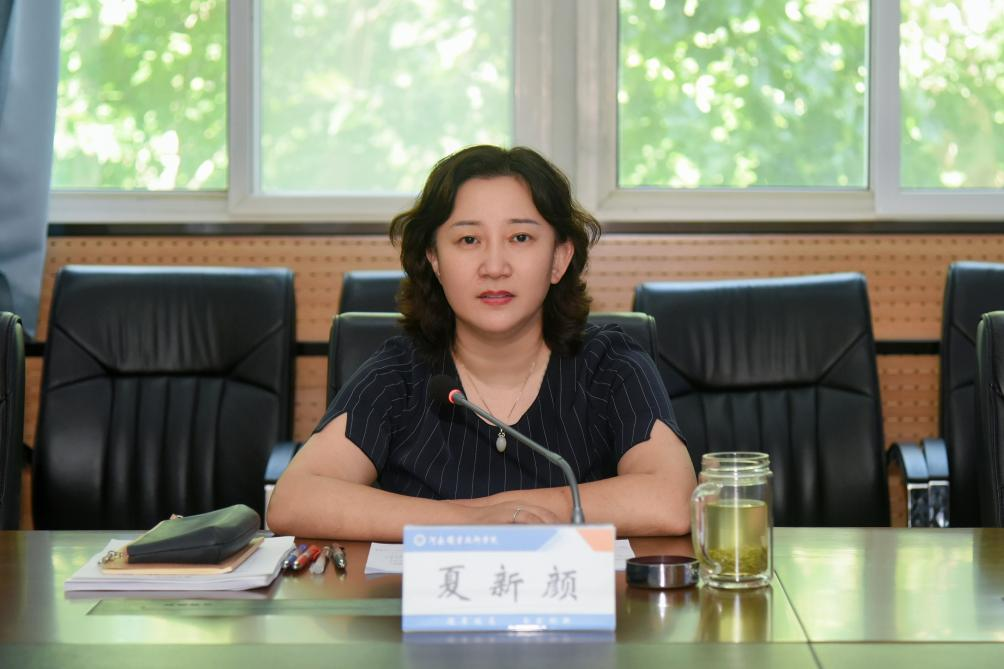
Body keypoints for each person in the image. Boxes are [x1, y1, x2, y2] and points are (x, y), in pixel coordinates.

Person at [266, 145, 696, 541]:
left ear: (559, 258)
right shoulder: (400, 373)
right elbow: (294, 499)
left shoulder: (610, 364)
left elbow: (673, 500)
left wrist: (513, 514)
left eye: (520, 238)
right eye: (469, 240)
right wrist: (471, 521)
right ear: (435, 259)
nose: (494, 266)